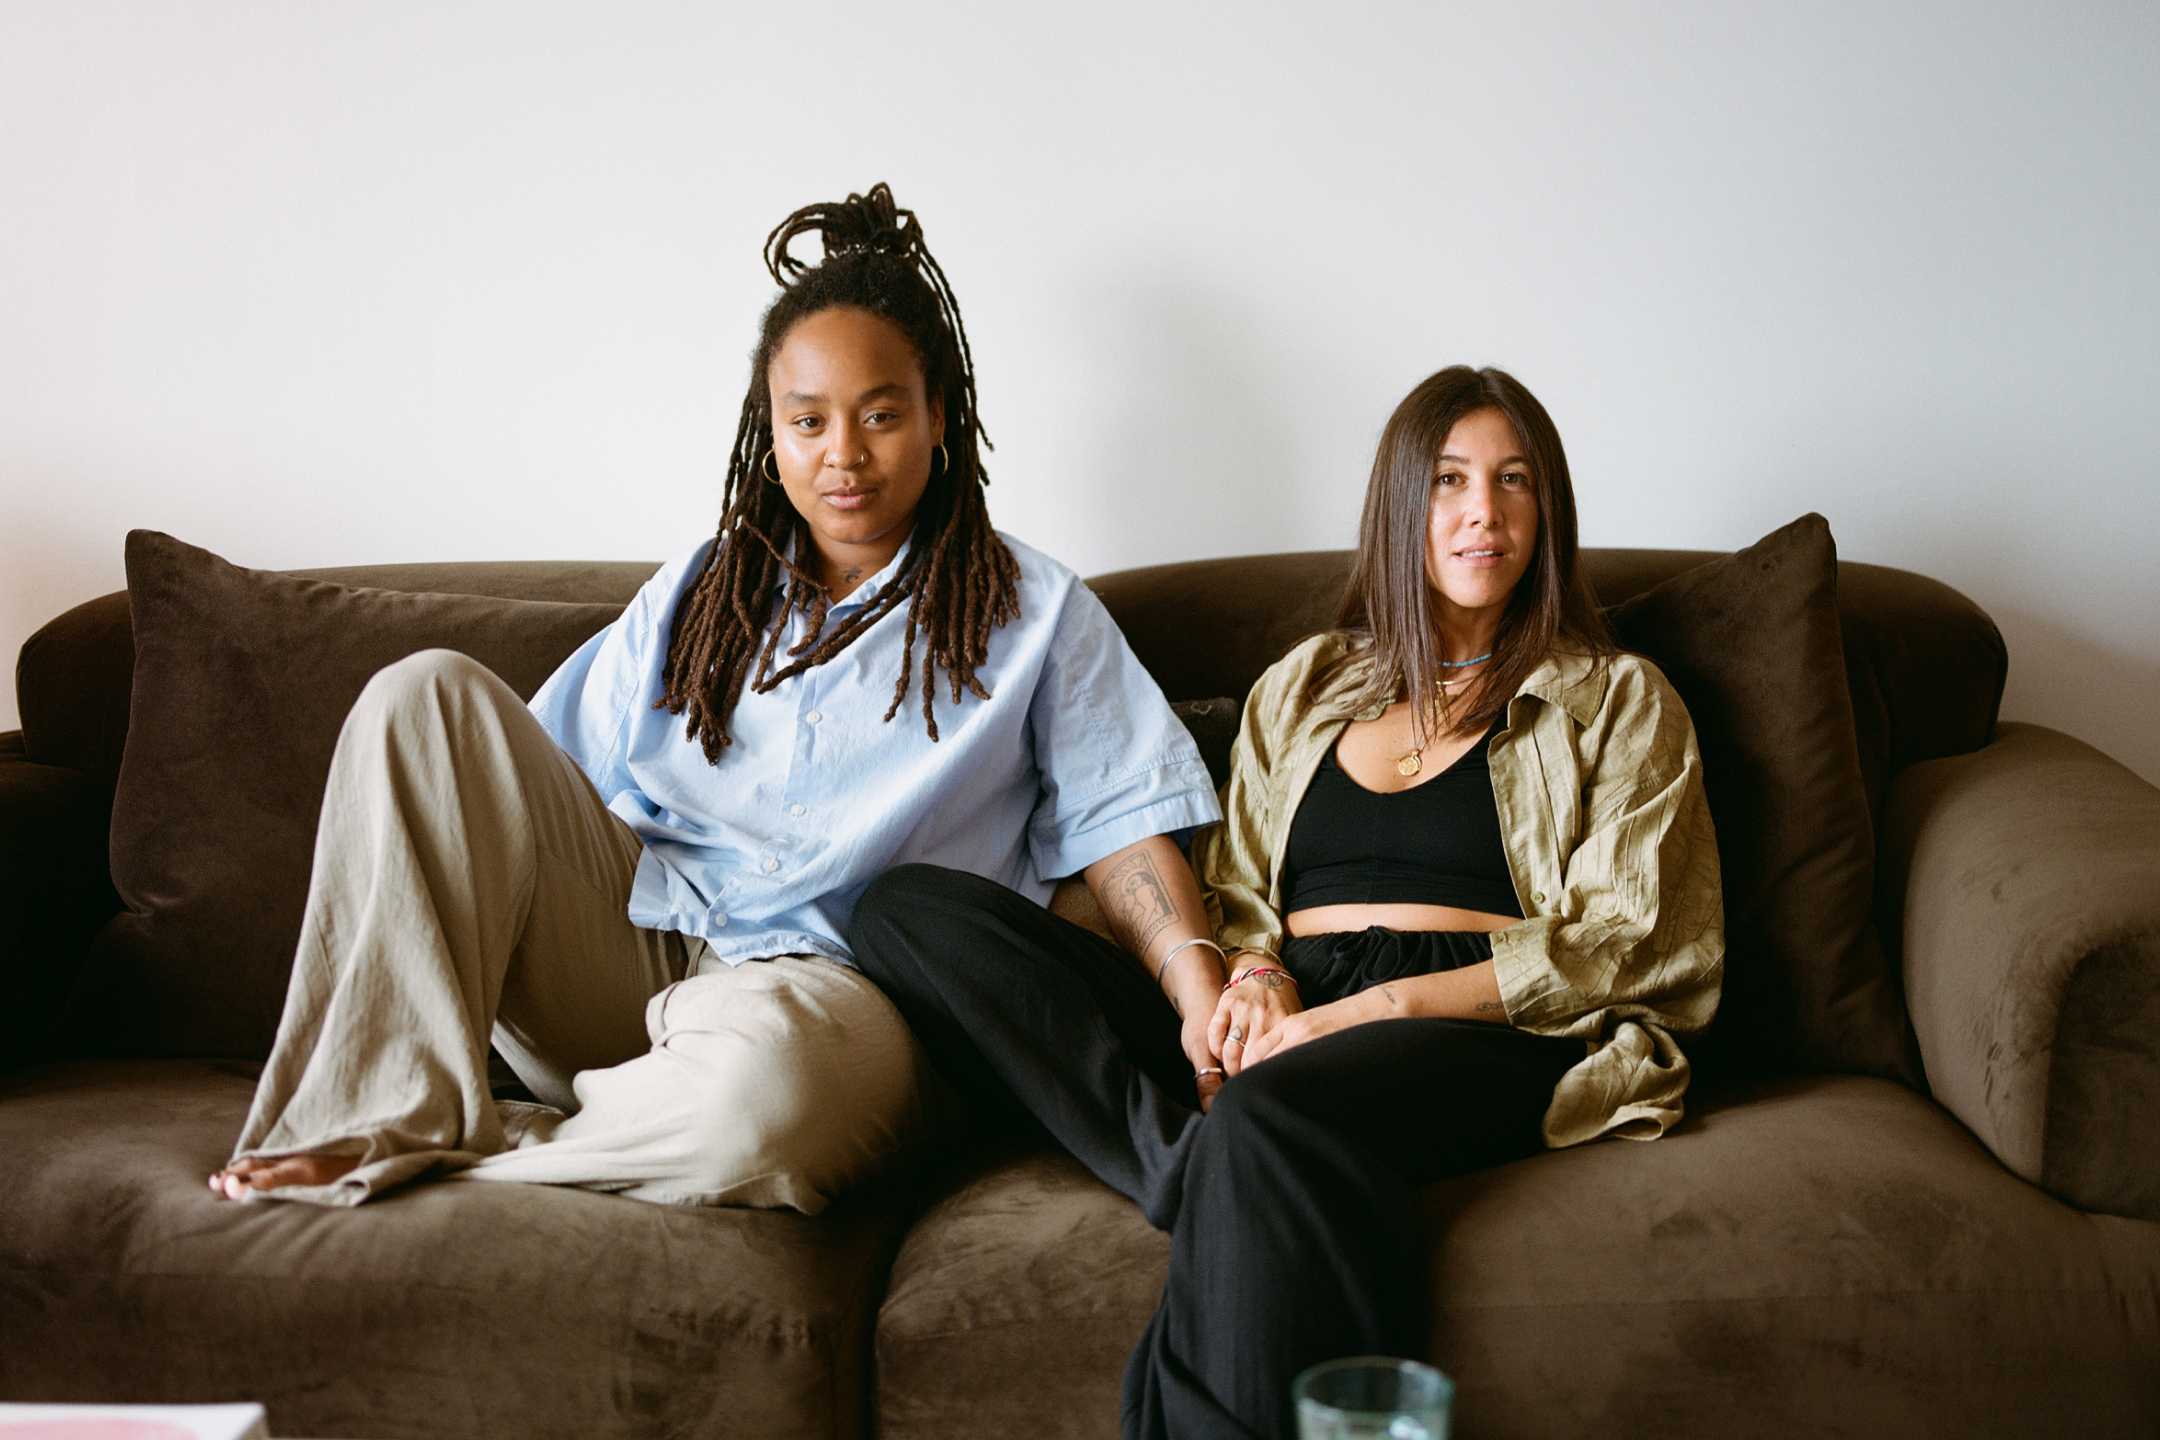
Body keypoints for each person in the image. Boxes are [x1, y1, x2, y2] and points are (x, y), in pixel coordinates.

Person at [206, 184, 1222, 1210]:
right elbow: (523, 785)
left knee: (763, 1100)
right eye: (808, 420)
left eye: (880, 415)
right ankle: (374, 1116)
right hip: (640, 946)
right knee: (423, 698)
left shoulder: (1038, 611)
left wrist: (1199, 990)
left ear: (938, 421)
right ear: (769, 435)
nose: (844, 454)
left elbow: (1125, 830)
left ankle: (490, 1153)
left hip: (832, 1000)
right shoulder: (702, 588)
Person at [846, 365, 1725, 1438]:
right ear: (1401, 505)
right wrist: (1256, 981)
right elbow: (1238, 886)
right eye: (1448, 481)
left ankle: (1225, 1150)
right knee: (904, 911)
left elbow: (1631, 943)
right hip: (1291, 1006)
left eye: (1514, 483)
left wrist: (1361, 1016)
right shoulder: (1305, 685)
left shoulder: (1617, 697)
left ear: (1550, 511)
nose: (1482, 514)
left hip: (1475, 1024)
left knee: (1269, 1112)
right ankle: (1188, 1159)